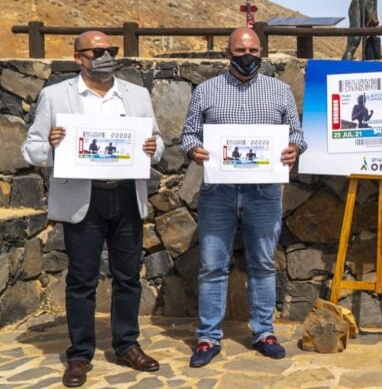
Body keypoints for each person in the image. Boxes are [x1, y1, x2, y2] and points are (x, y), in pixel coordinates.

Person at [21, 31, 165, 388]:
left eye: (110, 51)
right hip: (83, 199)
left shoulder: (136, 94)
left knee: (128, 277)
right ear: (78, 57)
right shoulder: (56, 95)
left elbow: (158, 142)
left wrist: (153, 147)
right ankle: (80, 354)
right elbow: (31, 148)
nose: (106, 56)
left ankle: (127, 344)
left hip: (127, 197)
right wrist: (52, 146)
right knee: (82, 279)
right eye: (97, 51)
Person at [181, 27, 307, 368]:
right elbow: (188, 135)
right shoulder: (206, 91)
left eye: (253, 50)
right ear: (227, 52)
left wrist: (295, 148)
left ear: (262, 51)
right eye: (240, 51)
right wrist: (196, 151)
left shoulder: (280, 91)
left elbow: (297, 134)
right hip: (217, 193)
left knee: (264, 264)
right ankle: (208, 338)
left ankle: (264, 332)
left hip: (264, 194)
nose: (247, 56)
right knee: (211, 265)